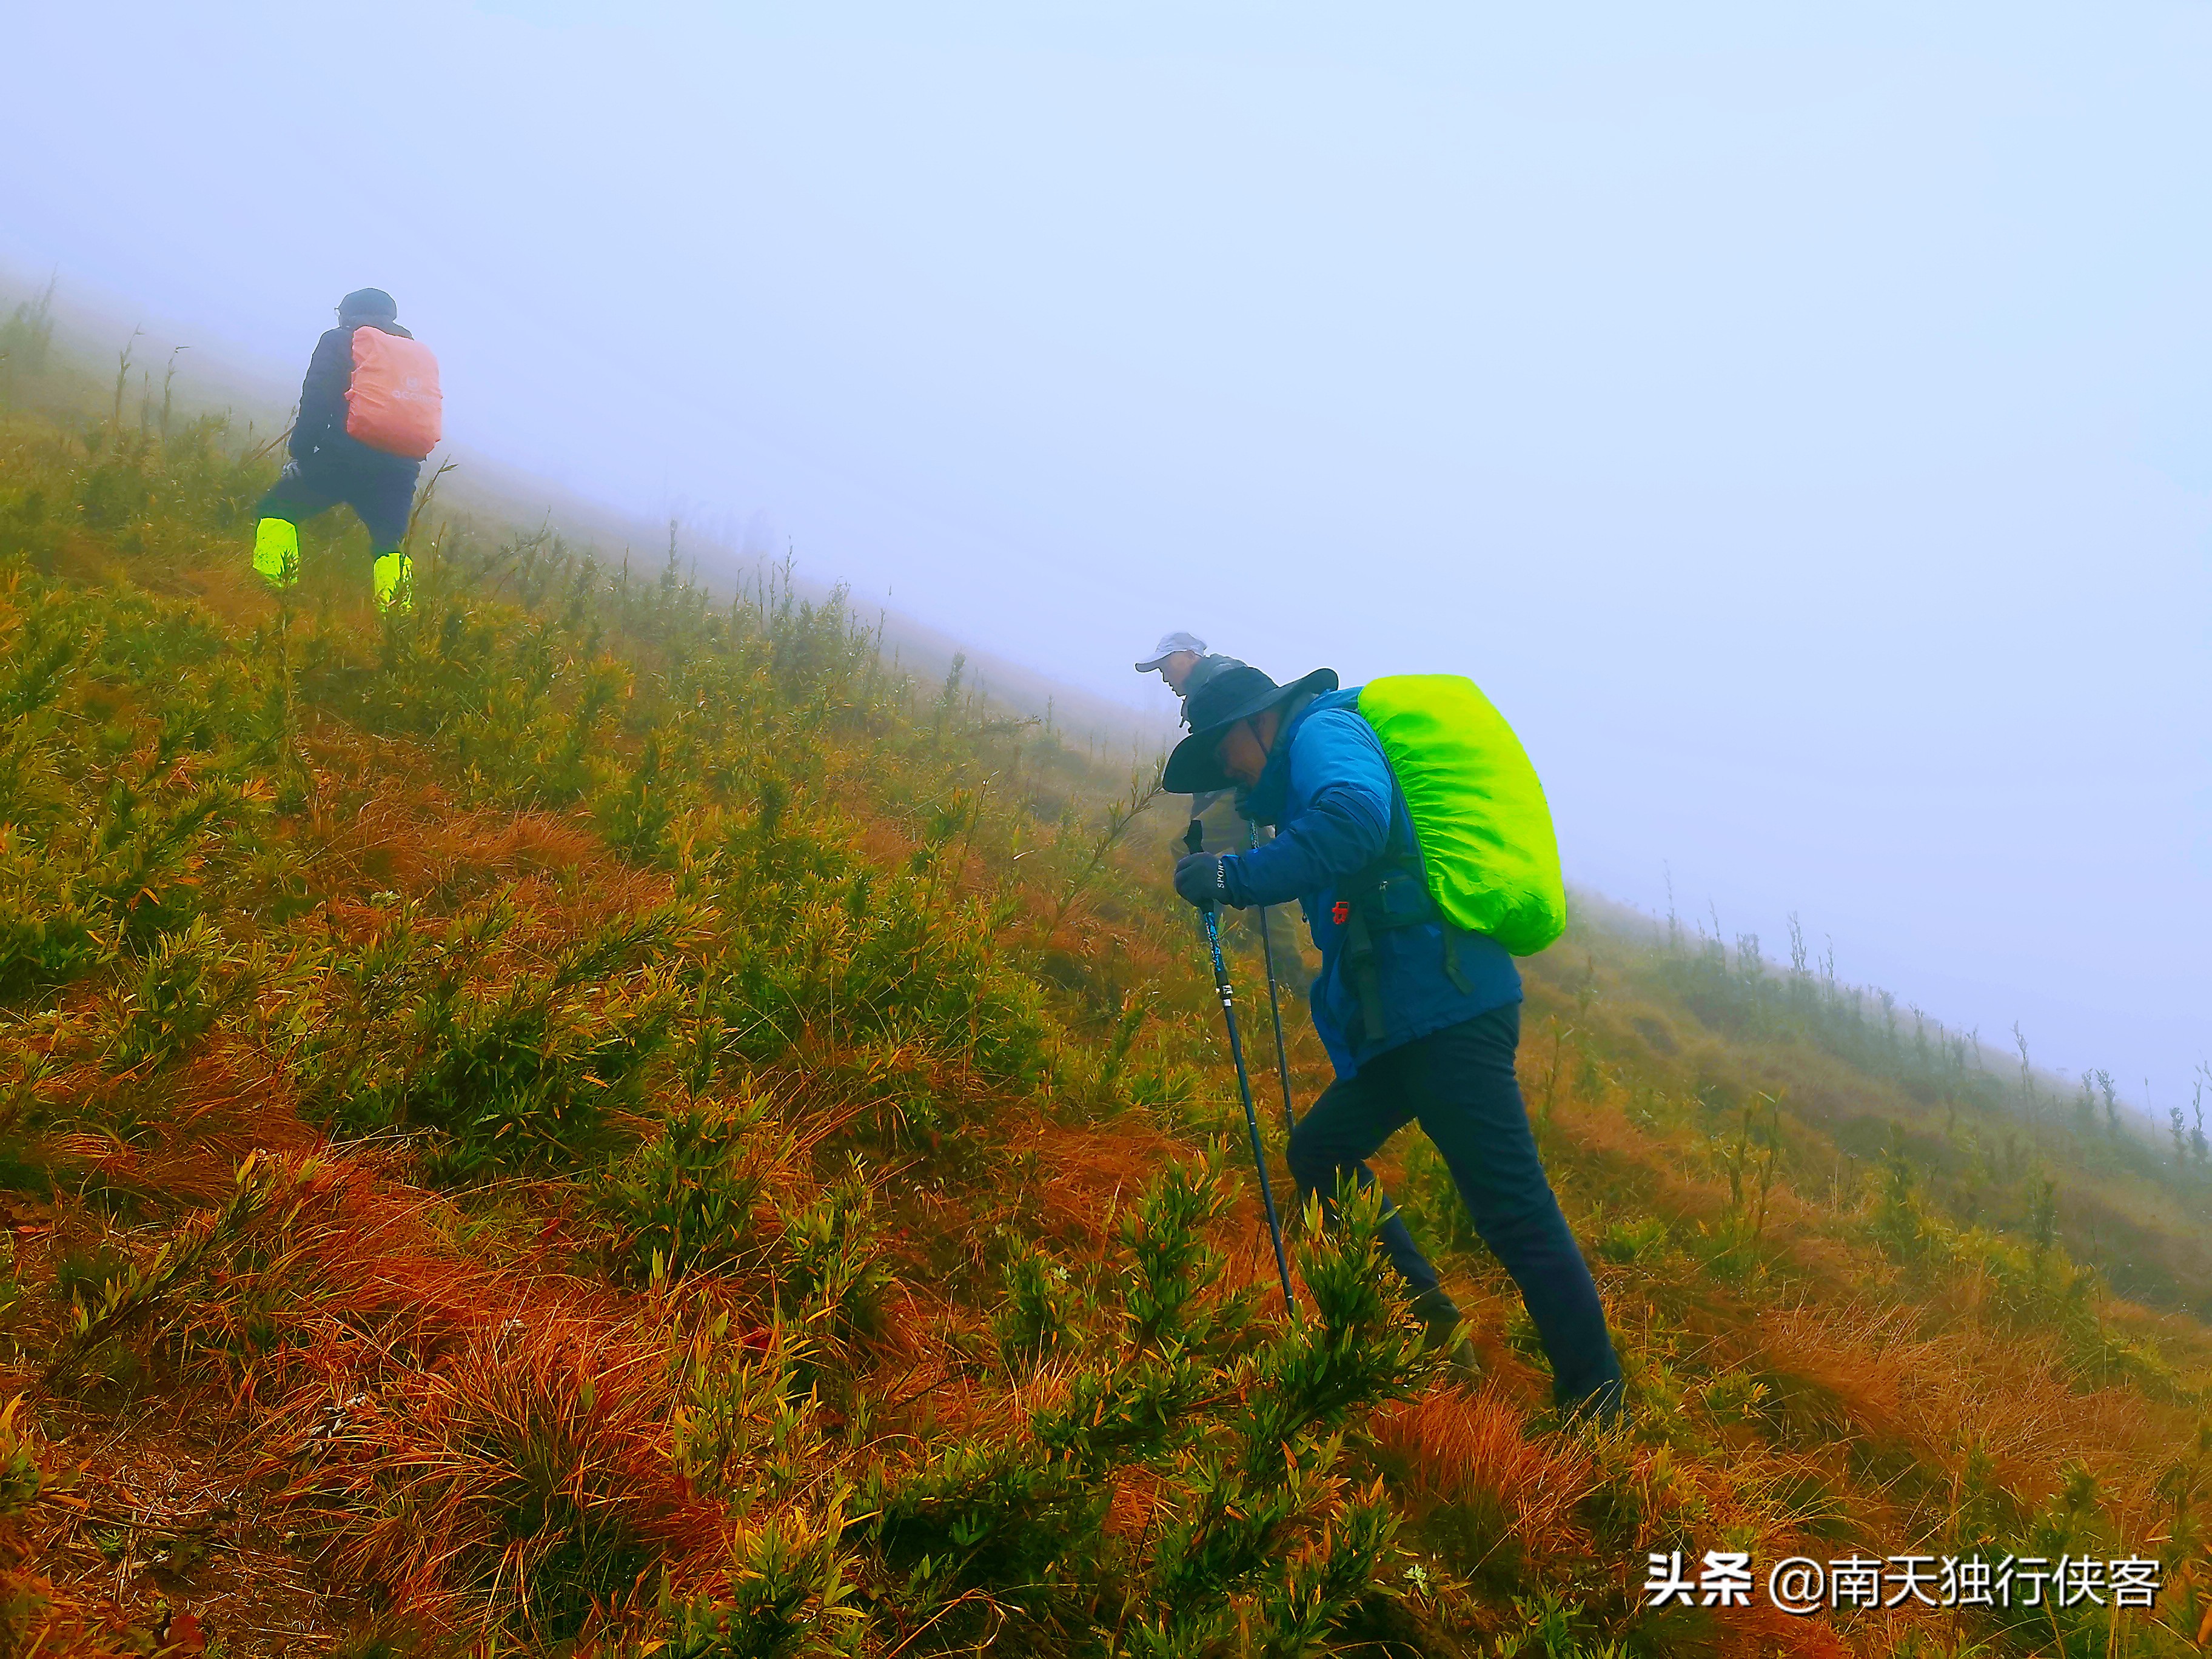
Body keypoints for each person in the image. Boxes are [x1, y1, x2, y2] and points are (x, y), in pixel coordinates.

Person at [1162, 660, 1626, 1423]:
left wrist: (1235, 877)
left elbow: (1352, 820)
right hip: (1409, 1021)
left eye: (1224, 749)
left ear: (1260, 722)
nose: (1227, 768)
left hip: (1443, 1011)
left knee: (1513, 1211)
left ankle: (1599, 1410)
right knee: (1320, 1153)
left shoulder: (1322, 735)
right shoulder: (1309, 750)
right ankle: (1437, 1339)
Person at [1135, 634, 1310, 999]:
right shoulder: (1210, 680)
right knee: (1262, 873)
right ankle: (1288, 972)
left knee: (1187, 851)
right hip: (1244, 796)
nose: (1164, 676)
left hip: (1242, 796)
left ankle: (1213, 934)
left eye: (1166, 664)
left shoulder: (1220, 679)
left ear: (1188, 655)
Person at [250, 288, 437, 611]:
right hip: (402, 465)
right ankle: (397, 624)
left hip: (345, 455)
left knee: (277, 510)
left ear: (348, 314)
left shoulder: (340, 340)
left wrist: (301, 452)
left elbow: (317, 397)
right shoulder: (413, 352)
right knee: (389, 544)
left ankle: (271, 597)